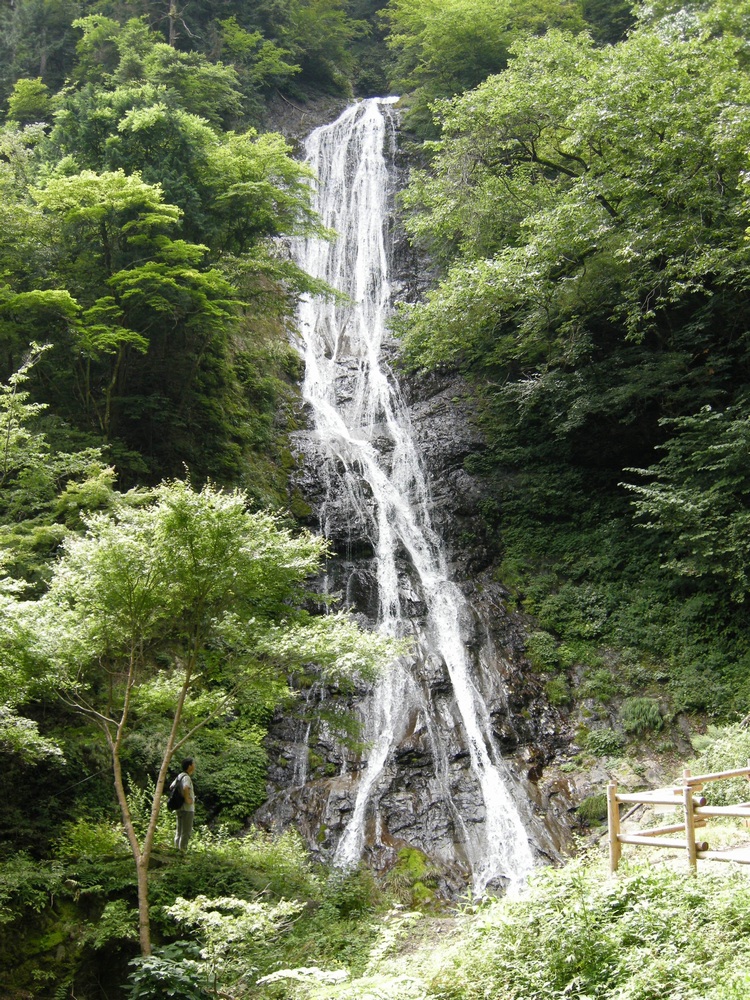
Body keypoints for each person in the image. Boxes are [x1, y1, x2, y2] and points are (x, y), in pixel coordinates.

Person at [173, 757, 196, 852]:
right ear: (189, 766)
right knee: (186, 832)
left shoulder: (180, 776)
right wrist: (187, 798)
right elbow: (186, 787)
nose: (194, 766)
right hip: (187, 809)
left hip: (179, 808)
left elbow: (172, 786)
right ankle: (182, 853)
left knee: (179, 832)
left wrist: (181, 796)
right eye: (193, 764)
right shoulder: (186, 777)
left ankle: (176, 851)